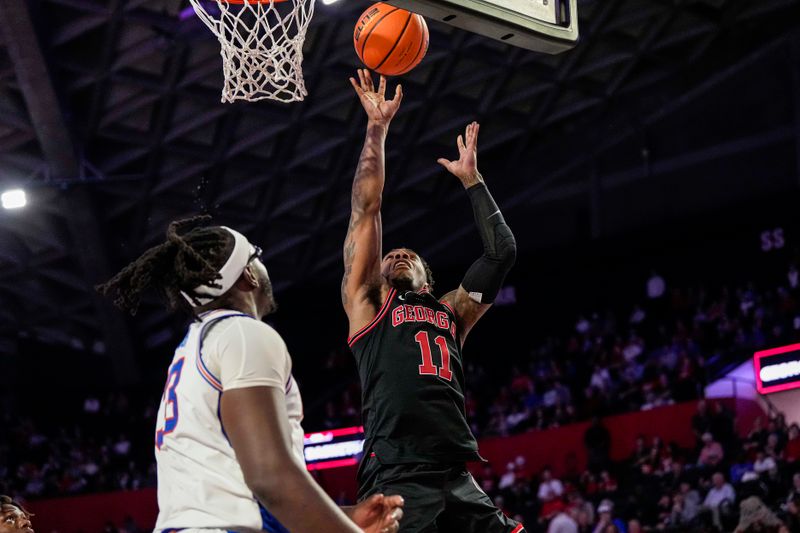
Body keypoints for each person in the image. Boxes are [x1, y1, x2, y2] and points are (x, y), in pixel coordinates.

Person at [98, 217, 403, 533]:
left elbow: (240, 492)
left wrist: (345, 518)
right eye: (256, 256)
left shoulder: (195, 345)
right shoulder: (243, 333)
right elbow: (269, 477)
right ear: (247, 275)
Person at [342, 69, 520, 532]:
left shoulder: (453, 312)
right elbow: (367, 208)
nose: (397, 255)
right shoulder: (367, 303)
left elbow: (501, 253)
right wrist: (376, 131)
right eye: (391, 255)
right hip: (397, 468)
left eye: (409, 255)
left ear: (427, 276)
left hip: (455, 474)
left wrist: (473, 181)